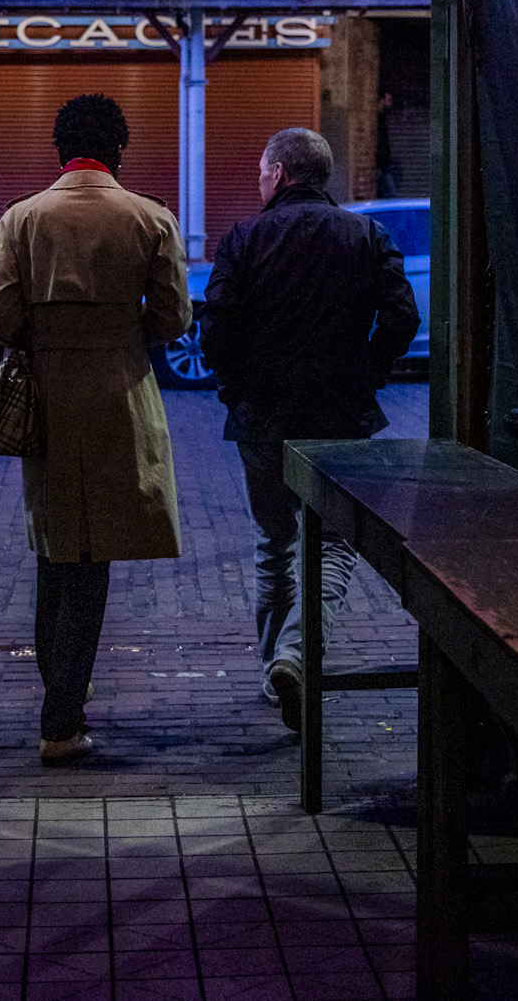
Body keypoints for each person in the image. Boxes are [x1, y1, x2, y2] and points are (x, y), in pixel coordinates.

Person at [0, 92, 192, 763]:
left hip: (45, 395)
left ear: (59, 149)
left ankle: (61, 699)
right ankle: (62, 716)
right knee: (92, 554)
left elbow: (0, 313)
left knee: (54, 545)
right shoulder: (150, 218)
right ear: (118, 149)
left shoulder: (21, 219)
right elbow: (173, 319)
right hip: (118, 393)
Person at [201, 126, 419, 730]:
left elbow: (216, 330)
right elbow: (402, 317)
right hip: (340, 418)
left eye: (261, 172)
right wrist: (368, 371)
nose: (259, 181)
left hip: (263, 418)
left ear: (280, 174)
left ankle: (278, 662)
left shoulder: (244, 238)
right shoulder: (366, 234)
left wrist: (238, 385)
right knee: (333, 544)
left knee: (275, 544)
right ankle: (298, 654)